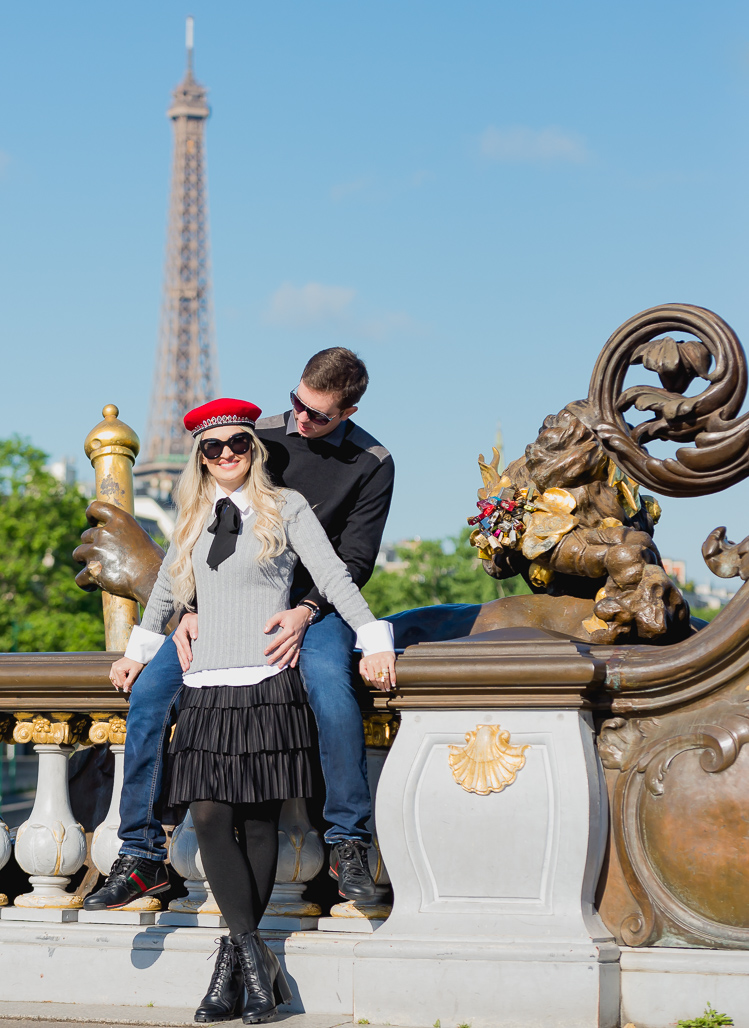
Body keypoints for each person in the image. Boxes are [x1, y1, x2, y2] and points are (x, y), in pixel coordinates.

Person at [107, 397, 396, 1024]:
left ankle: (232, 963)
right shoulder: (190, 516)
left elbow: (335, 576)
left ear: (253, 448)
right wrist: (138, 651)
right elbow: (164, 590)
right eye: (214, 449)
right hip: (209, 679)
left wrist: (373, 637)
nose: (227, 456)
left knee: (261, 823)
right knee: (209, 816)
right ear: (200, 458)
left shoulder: (285, 508)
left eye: (238, 444)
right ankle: (252, 955)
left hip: (267, 678)